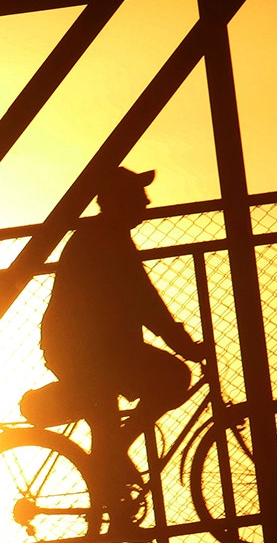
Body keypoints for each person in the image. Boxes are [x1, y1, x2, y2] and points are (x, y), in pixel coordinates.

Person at [37, 165, 206, 511]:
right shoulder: (105, 241)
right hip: (89, 353)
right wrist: (184, 345)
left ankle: (113, 503)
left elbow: (142, 300)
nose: (146, 201)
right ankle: (112, 476)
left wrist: (179, 340)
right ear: (117, 201)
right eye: (137, 195)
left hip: (93, 350)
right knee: (175, 377)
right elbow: (144, 300)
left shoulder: (103, 236)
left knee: (106, 427)